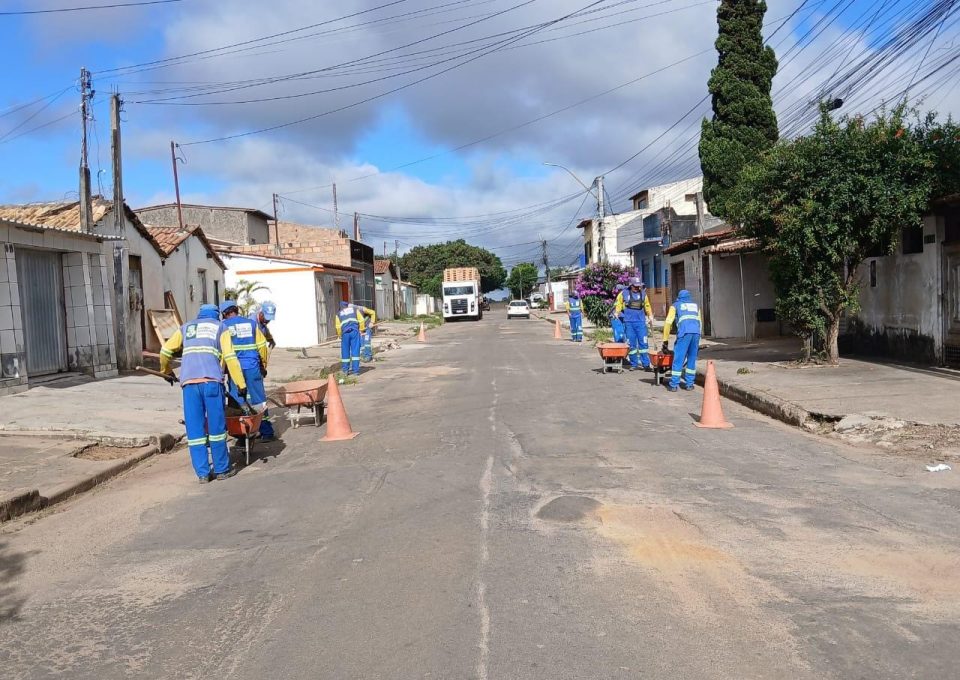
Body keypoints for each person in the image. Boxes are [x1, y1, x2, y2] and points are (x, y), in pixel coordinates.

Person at [160, 303, 246, 483]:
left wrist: (167, 372)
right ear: (216, 316)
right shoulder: (220, 327)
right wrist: (240, 384)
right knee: (216, 428)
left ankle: (203, 474)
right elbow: (230, 357)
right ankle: (222, 470)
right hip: (212, 383)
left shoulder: (186, 328)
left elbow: (165, 351)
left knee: (195, 430)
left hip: (189, 385)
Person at [219, 300, 274, 440]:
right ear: (236, 309)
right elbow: (262, 346)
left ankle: (242, 434)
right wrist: (263, 366)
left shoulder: (223, 326)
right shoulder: (251, 324)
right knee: (259, 400)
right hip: (252, 366)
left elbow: (222, 352)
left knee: (237, 400)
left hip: (234, 370)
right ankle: (266, 432)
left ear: (224, 314)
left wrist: (221, 370)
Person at [662, 289, 702, 392]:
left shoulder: (675, 305)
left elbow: (667, 323)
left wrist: (665, 340)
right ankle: (689, 384)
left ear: (679, 297)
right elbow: (699, 323)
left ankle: (674, 384)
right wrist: (698, 338)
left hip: (684, 333)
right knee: (692, 359)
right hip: (696, 333)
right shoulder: (696, 306)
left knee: (678, 358)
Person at [615, 277, 655, 371]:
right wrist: (617, 312)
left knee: (643, 344)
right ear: (631, 285)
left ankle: (646, 364)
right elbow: (619, 304)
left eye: (639, 286)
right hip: (629, 322)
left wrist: (650, 316)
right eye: (635, 286)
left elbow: (647, 306)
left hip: (640, 322)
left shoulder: (643, 294)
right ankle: (634, 363)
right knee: (631, 344)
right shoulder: (623, 293)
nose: (637, 288)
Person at [336, 301, 376, 375]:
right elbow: (361, 320)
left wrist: (340, 335)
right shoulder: (355, 310)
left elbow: (338, 327)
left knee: (345, 352)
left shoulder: (338, 314)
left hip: (345, 334)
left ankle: (345, 370)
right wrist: (361, 330)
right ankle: (356, 371)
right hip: (355, 332)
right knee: (355, 351)